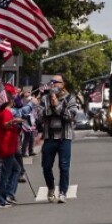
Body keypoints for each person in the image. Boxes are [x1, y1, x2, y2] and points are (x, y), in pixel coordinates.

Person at [37, 75, 80, 203]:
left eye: (56, 82)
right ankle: (50, 187)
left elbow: (71, 116)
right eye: (51, 82)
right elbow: (39, 115)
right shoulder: (45, 98)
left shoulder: (70, 98)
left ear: (62, 84)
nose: (53, 84)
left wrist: (57, 107)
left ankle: (62, 192)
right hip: (49, 137)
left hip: (64, 137)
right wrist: (52, 105)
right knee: (46, 166)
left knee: (64, 166)